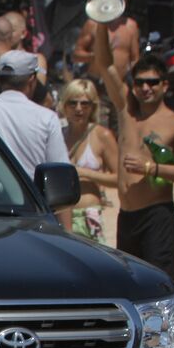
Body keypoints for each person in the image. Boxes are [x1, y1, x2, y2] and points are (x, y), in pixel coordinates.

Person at [95, 25, 174, 281]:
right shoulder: (126, 110)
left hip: (157, 216)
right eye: (140, 82)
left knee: (159, 285)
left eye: (152, 82)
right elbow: (106, 65)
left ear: (164, 85)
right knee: (129, 284)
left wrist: (152, 168)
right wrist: (102, 21)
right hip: (126, 216)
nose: (145, 88)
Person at [0, 51, 67, 180]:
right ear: (32, 79)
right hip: (30, 198)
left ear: (0, 79)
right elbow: (60, 172)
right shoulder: (47, 118)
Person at [59, 78, 118, 243]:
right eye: (73, 103)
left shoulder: (101, 135)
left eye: (85, 104)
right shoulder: (58, 134)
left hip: (88, 214)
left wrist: (85, 173)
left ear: (93, 107)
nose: (79, 109)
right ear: (64, 105)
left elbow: (119, 178)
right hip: (61, 216)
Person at [74, 0, 140, 83]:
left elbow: (135, 59)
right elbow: (76, 54)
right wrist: (96, 56)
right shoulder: (92, 24)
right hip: (96, 82)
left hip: (120, 83)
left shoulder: (131, 25)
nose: (118, 1)